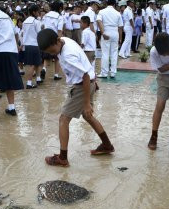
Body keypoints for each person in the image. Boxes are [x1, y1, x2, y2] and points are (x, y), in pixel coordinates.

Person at [37, 29, 115, 167]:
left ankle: (62, 157)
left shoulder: (68, 55)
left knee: (63, 119)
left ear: (56, 41)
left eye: (52, 51)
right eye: (49, 53)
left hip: (82, 85)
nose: (52, 54)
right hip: (89, 82)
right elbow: (85, 67)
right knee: (88, 116)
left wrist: (86, 103)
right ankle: (107, 145)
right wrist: (93, 82)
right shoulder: (65, 40)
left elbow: (84, 75)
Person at [96, 0, 123, 79]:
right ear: (114, 4)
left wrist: (103, 32)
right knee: (114, 53)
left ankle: (104, 73)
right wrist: (120, 39)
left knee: (105, 53)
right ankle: (113, 73)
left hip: (106, 31)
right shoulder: (118, 13)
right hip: (115, 32)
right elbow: (120, 27)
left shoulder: (102, 11)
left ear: (107, 3)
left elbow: (99, 21)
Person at [41, 0, 64, 80]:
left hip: (46, 36)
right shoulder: (59, 17)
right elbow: (60, 31)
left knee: (47, 56)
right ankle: (56, 75)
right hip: (54, 38)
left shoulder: (46, 15)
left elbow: (42, 27)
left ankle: (44, 69)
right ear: (59, 8)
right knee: (57, 58)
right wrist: (59, 41)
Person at [22, 4, 43, 89]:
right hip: (35, 44)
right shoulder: (36, 22)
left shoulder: (25, 22)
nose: (39, 13)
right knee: (33, 65)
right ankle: (29, 83)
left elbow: (23, 33)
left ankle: (38, 79)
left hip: (27, 45)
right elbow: (39, 33)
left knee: (37, 63)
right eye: (38, 11)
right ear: (34, 12)